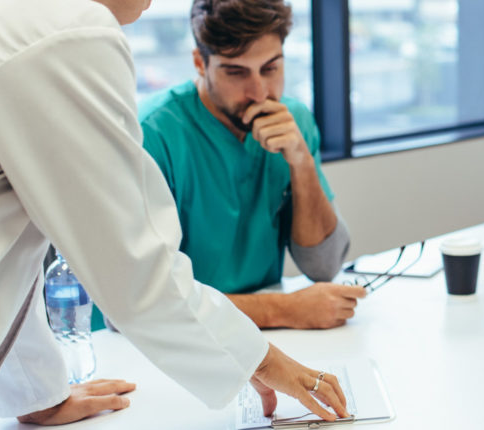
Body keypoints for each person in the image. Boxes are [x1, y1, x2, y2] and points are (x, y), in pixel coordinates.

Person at [0, 0, 349, 427]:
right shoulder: (67, 32)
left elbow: (8, 242)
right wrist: (263, 359)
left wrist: (36, 395)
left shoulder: (6, 19)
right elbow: (134, 270)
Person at [130, 0, 361, 331]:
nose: (259, 93)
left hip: (259, 342)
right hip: (159, 349)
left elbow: (324, 266)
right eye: (236, 72)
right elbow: (140, 304)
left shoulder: (293, 120)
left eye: (270, 68)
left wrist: (301, 163)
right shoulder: (150, 135)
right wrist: (282, 309)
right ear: (200, 62)